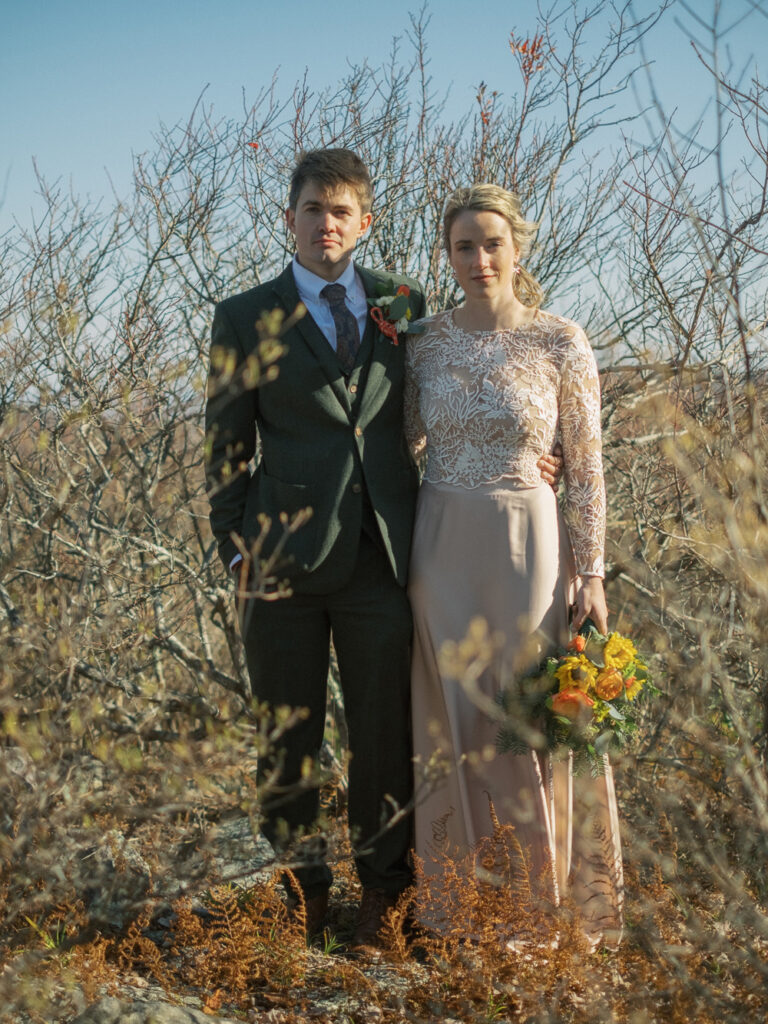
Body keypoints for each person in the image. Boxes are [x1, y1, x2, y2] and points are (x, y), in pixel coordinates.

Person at [205, 151, 563, 951]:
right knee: (286, 734)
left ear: (365, 223)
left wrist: (541, 452)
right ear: (288, 219)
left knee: (384, 737)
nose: (325, 224)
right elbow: (225, 450)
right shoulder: (243, 317)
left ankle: (384, 897)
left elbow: (459, 397)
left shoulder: (407, 305)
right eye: (312, 210)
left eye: (341, 212)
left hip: (386, 559)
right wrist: (234, 554)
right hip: (280, 561)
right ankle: (301, 891)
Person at [405, 184, 623, 949]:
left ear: (517, 249)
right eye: (463, 246)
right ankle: (457, 908)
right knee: (453, 718)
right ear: (449, 253)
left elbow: (588, 466)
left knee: (526, 717)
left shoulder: (561, 340)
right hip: (440, 545)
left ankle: (538, 910)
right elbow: (397, 445)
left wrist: (591, 572)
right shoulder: (421, 343)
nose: (478, 260)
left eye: (491, 244)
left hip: (529, 544)